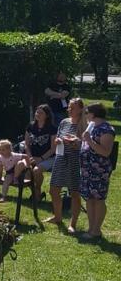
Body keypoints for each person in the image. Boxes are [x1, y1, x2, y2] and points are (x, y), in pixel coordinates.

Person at [46, 97, 86, 233]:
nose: (69, 109)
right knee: (54, 189)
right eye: (69, 107)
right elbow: (58, 137)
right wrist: (58, 140)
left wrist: (77, 143)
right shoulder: (64, 122)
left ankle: (72, 224)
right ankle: (57, 217)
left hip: (75, 160)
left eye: (72, 107)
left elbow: (87, 143)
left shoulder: (84, 124)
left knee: (74, 192)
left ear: (80, 109)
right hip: (61, 157)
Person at [79, 103, 116, 241]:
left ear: (93, 114)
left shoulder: (106, 129)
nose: (85, 116)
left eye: (86, 113)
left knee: (98, 199)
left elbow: (105, 152)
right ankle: (91, 228)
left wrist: (89, 140)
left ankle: (96, 230)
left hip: (99, 170)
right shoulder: (92, 127)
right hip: (87, 169)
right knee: (89, 198)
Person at [23, 103, 56, 200]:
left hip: (48, 157)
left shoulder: (52, 128)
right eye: (37, 112)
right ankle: (37, 193)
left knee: (36, 170)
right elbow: (26, 144)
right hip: (32, 156)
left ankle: (37, 191)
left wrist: (41, 159)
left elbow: (53, 148)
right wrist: (30, 157)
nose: (37, 114)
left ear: (47, 115)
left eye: (41, 113)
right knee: (26, 171)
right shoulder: (30, 126)